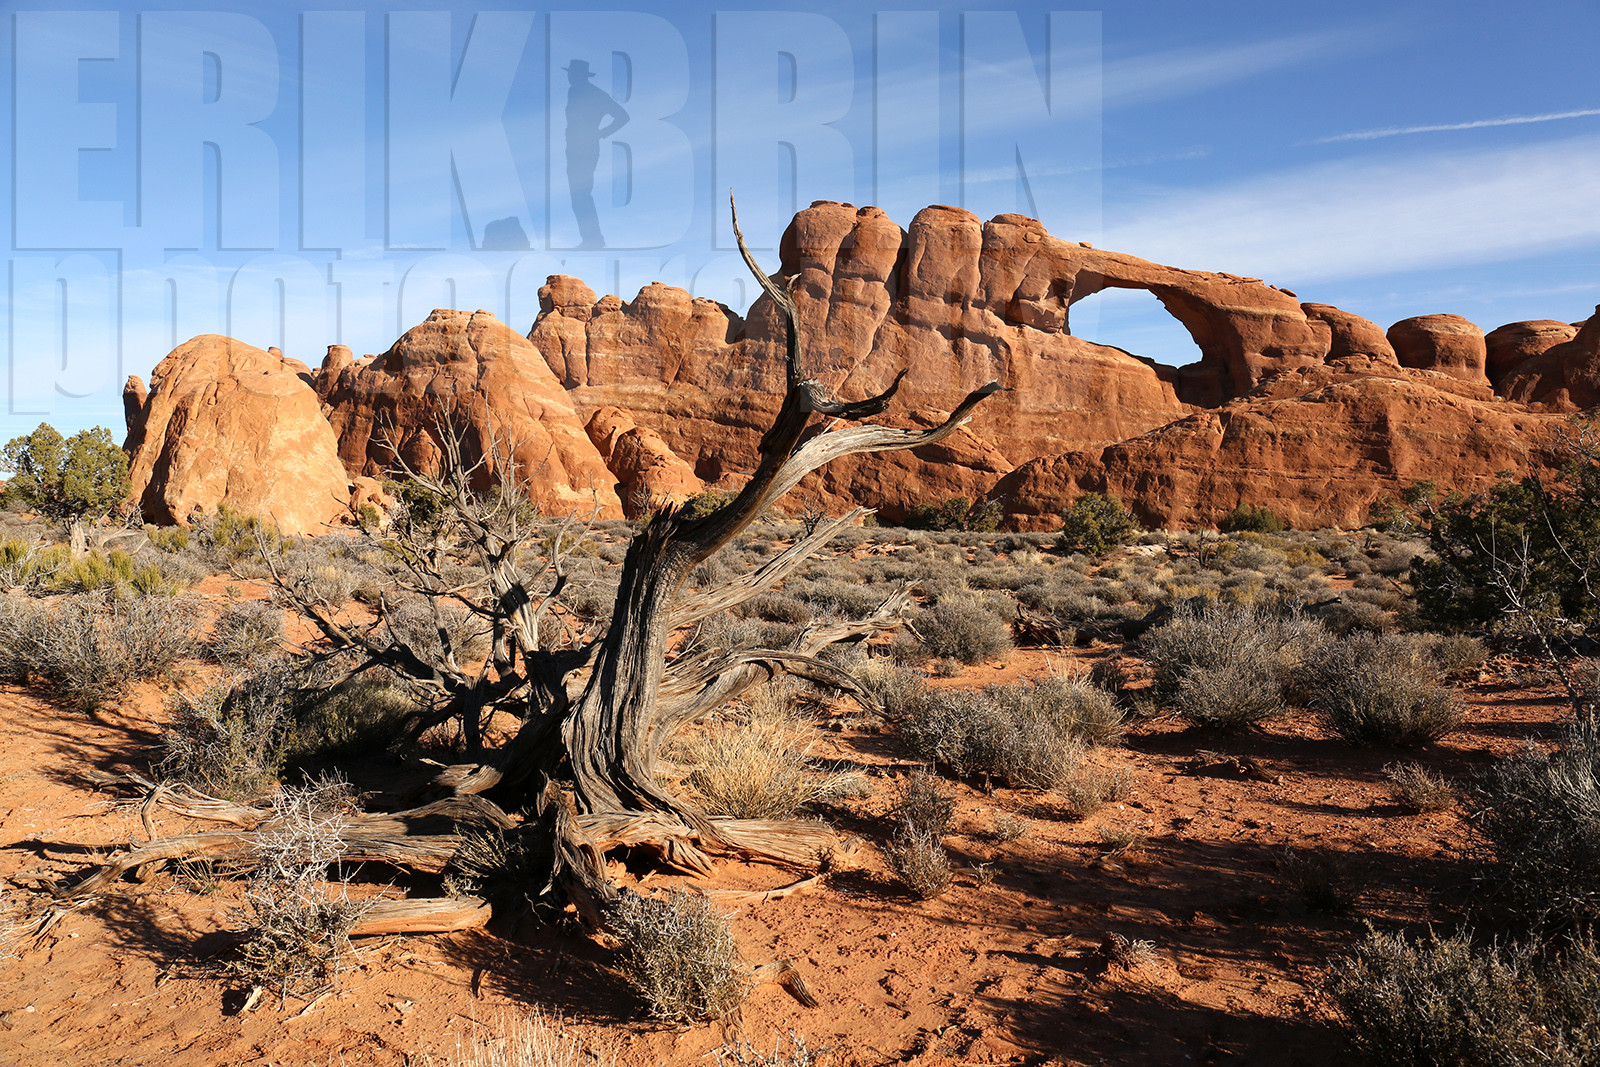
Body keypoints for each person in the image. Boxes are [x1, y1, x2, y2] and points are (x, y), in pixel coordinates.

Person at [563, 59, 629, 250]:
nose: (569, 77)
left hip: (586, 148)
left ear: (580, 75)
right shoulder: (573, 91)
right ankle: (590, 238)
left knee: (580, 194)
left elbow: (623, 116)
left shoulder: (594, 94)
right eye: (569, 73)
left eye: (572, 73)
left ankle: (593, 239)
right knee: (577, 195)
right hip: (574, 147)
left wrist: (601, 133)